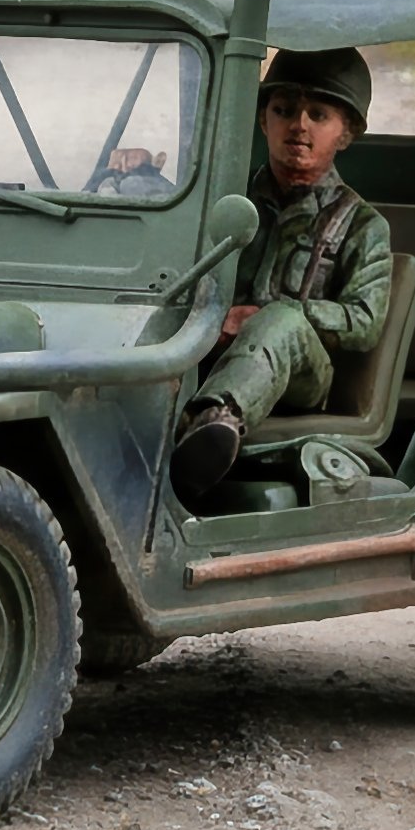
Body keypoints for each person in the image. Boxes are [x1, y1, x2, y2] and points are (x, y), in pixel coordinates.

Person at [171, 47, 393, 498]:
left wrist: (277, 314)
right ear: (263, 120)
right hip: (205, 350)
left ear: (345, 134)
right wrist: (218, 320)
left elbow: (365, 322)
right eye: (284, 110)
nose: (299, 126)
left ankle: (210, 425)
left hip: (304, 377)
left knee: (281, 319)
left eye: (319, 114)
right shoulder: (223, 205)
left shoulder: (362, 225)